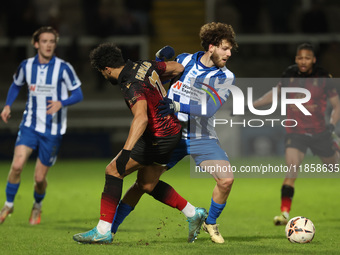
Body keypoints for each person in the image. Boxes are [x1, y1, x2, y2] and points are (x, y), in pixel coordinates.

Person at [110, 22, 237, 244]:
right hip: (170, 134)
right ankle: (110, 229)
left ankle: (211, 222)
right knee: (143, 184)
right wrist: (159, 61)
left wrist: (178, 107)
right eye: (225, 48)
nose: (229, 53)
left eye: (230, 49)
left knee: (226, 180)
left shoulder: (225, 76)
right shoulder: (185, 60)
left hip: (201, 137)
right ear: (211, 47)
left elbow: (209, 108)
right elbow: (156, 80)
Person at [73, 43, 207, 244]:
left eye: (102, 73)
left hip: (157, 136)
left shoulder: (129, 84)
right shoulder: (144, 65)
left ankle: (103, 231)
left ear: (107, 69)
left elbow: (141, 118)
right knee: (146, 183)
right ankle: (193, 213)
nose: (104, 76)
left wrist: (126, 151)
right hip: (173, 132)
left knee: (113, 171)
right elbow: (178, 68)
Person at [0, 26, 83, 225]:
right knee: (17, 165)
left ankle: (37, 206)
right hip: (29, 125)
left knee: (39, 179)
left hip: (52, 131)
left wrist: (61, 103)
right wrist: (8, 105)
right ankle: (8, 205)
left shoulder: (63, 68)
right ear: (36, 44)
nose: (48, 45)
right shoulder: (26, 66)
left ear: (55, 45)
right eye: (44, 41)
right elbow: (16, 84)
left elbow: (78, 94)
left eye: (52, 41)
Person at [252, 43, 340, 225]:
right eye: (300, 58)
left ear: (313, 60)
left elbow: (337, 105)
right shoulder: (288, 75)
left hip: (319, 132)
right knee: (291, 169)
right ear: (296, 59)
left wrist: (332, 124)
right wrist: (254, 104)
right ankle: (284, 214)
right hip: (296, 131)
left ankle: (335, 148)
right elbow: (275, 93)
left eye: (307, 58)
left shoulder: (324, 77)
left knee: (334, 167)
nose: (303, 61)